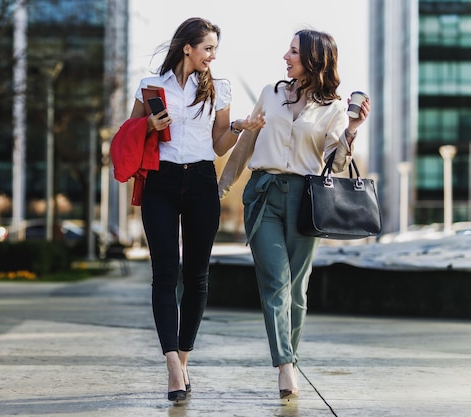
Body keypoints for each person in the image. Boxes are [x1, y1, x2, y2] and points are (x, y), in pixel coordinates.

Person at [218, 29, 370, 400]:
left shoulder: (333, 108)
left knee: (297, 291)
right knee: (275, 281)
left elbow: (334, 164)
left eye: (294, 52)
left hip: (306, 199)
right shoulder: (270, 94)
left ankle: (290, 360)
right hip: (263, 194)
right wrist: (220, 189)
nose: (286, 57)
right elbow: (245, 145)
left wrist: (351, 129)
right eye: (289, 50)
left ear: (315, 60)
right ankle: (285, 366)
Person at [128, 17, 264, 403]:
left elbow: (220, 146)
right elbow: (132, 135)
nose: (212, 55)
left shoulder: (218, 88)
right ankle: (172, 365)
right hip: (161, 183)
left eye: (215, 49)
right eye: (208, 48)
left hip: (202, 181)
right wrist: (151, 126)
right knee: (164, 274)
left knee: (197, 276)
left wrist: (239, 126)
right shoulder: (151, 87)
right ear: (187, 47)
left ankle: (183, 356)